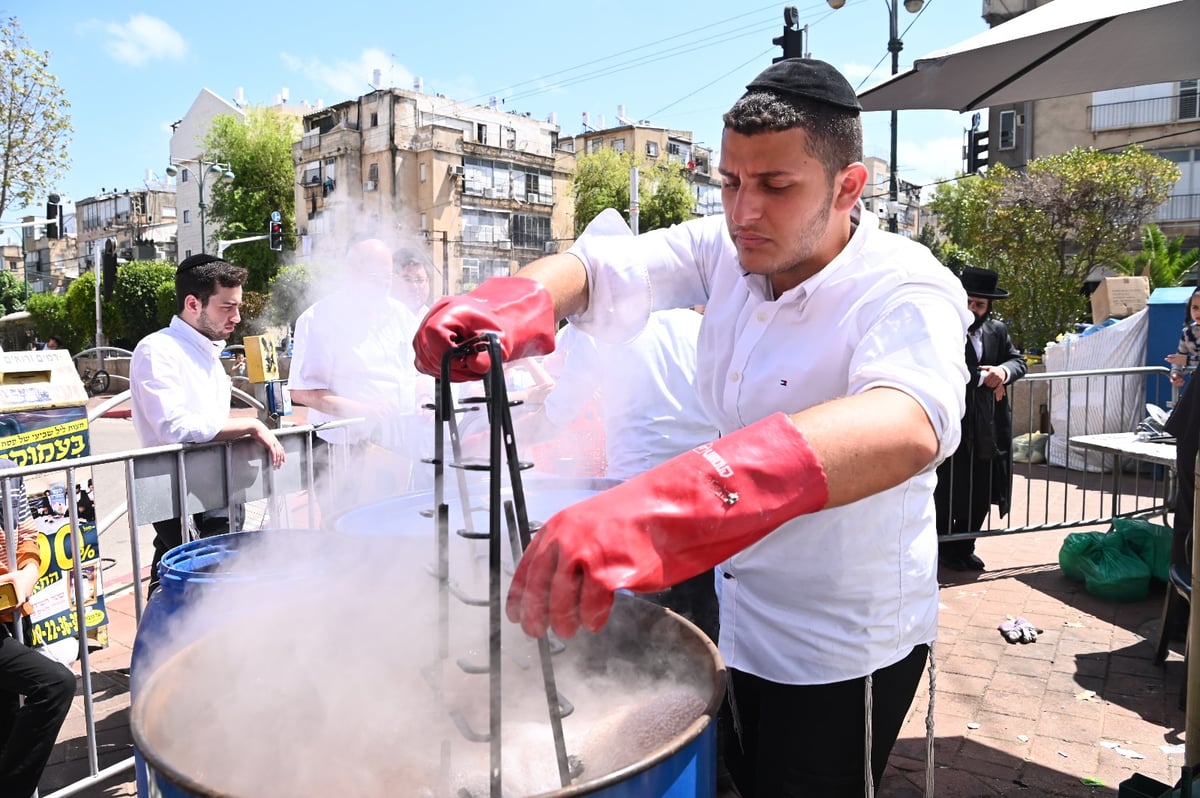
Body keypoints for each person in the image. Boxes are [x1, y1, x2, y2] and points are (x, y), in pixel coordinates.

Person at [413, 58, 971, 796]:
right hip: (740, 608)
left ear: (849, 187)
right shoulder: (728, 249)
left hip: (840, 640)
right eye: (731, 182)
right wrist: (519, 300)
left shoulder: (907, 287)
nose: (744, 210)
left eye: (776, 186)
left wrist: (657, 506)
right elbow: (606, 266)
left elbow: (903, 425)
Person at [130, 254, 286, 598]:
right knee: (192, 590)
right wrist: (249, 426)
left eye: (238, 306)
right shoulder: (158, 350)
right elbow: (175, 425)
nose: (237, 317)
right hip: (184, 497)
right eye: (227, 307)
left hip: (218, 490)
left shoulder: (206, 353)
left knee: (191, 587)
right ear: (192, 303)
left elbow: (204, 419)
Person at [288, 238, 422, 510]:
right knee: (346, 532)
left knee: (393, 525)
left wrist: (423, 399)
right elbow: (304, 392)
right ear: (350, 274)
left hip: (398, 442)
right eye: (374, 276)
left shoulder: (400, 315)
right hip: (343, 450)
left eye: (387, 275)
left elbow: (417, 372)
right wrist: (363, 409)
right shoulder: (319, 319)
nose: (383, 283)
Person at [935, 267, 1027, 572]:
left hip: (988, 425)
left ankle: (966, 545)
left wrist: (1003, 372)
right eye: (970, 303)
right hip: (955, 420)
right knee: (950, 485)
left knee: (982, 485)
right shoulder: (943, 327)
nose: (974, 311)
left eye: (980, 305)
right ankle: (944, 546)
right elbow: (941, 367)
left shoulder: (997, 331)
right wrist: (983, 378)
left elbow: (1017, 360)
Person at [0, 459, 76, 798]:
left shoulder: (5, 468)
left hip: (8, 613)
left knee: (7, 718)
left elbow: (28, 534)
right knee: (53, 684)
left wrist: (27, 574)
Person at [1166, 286, 1200, 388]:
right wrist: (1175, 374)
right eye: (1195, 307)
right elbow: (1179, 358)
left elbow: (1183, 359)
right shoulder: (1187, 332)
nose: (1198, 312)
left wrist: (1187, 361)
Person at [391, 249, 434, 317]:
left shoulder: (433, 319)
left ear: (428, 281)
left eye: (419, 280)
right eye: (407, 280)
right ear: (393, 282)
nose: (414, 287)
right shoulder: (381, 321)